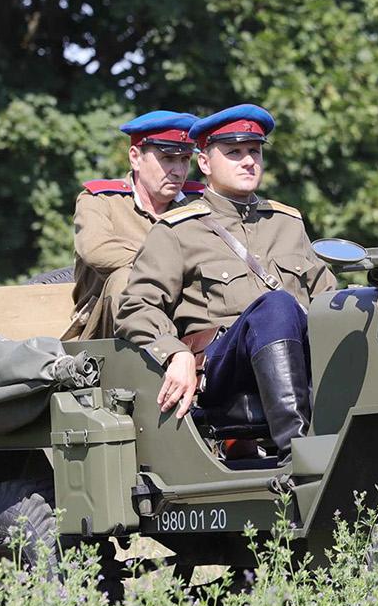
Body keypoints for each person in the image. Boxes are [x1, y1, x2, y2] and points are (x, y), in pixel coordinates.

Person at [115, 104, 336, 464]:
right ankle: (299, 454)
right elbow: (135, 307)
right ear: (204, 163)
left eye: (255, 151)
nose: (248, 161)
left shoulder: (287, 223)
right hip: (224, 368)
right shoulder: (179, 230)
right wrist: (175, 351)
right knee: (277, 305)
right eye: (234, 152)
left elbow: (328, 299)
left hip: (295, 357)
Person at [67, 110, 206, 339]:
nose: (179, 171)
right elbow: (96, 250)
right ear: (135, 157)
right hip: (107, 333)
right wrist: (170, 265)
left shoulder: (197, 205)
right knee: (127, 279)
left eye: (185, 159)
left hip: (184, 322)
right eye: (168, 158)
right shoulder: (100, 200)